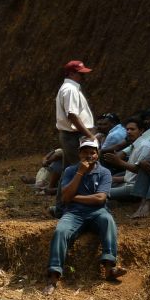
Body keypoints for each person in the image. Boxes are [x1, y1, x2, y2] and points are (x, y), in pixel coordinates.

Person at [44, 139, 122, 294]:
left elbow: (100, 199)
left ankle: (109, 268)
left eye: (92, 152)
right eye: (85, 152)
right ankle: (53, 277)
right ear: (79, 154)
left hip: (97, 211)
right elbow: (65, 198)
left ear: (97, 154)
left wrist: (74, 197)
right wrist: (80, 172)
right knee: (60, 231)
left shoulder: (104, 172)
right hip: (74, 212)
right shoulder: (71, 171)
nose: (88, 156)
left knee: (108, 221)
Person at [52, 59, 96, 216]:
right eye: (80, 73)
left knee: (68, 171)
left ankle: (61, 207)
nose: (82, 76)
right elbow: (72, 115)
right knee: (79, 169)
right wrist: (89, 135)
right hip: (73, 136)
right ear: (71, 73)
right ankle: (68, 207)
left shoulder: (70, 88)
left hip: (72, 135)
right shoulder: (70, 89)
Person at [104, 118, 149, 201]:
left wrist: (119, 162)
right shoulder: (135, 144)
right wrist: (115, 179)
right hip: (127, 183)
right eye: (127, 129)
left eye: (132, 129)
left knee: (100, 193)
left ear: (141, 131)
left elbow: (140, 171)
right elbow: (131, 176)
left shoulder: (144, 146)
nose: (128, 132)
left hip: (134, 188)